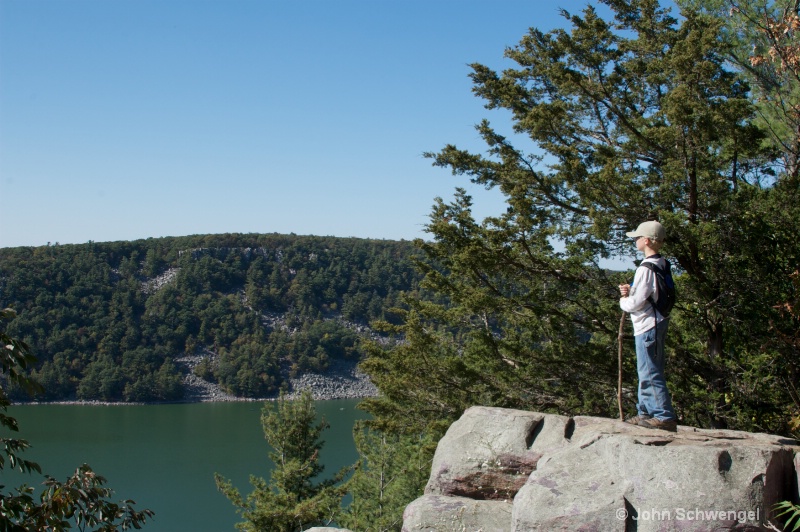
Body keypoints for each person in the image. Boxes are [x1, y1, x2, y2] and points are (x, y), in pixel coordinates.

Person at [618, 220, 677, 432]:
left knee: (649, 371)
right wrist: (631, 289)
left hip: (647, 325)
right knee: (647, 369)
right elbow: (651, 292)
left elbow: (636, 303)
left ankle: (662, 415)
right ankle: (646, 412)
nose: (635, 240)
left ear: (646, 240)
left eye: (637, 237)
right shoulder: (662, 263)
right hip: (657, 321)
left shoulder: (645, 268)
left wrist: (624, 301)